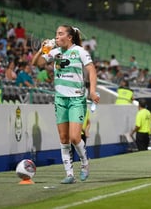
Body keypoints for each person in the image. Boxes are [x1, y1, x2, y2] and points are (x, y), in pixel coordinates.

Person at [32, 25, 99, 184]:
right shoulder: (54, 52)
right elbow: (37, 63)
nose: (56, 37)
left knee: (75, 137)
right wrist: (42, 50)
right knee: (63, 138)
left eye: (60, 34)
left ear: (69, 37)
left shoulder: (80, 51)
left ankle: (84, 163)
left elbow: (92, 70)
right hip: (60, 99)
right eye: (56, 34)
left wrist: (93, 90)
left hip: (76, 99)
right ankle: (69, 174)